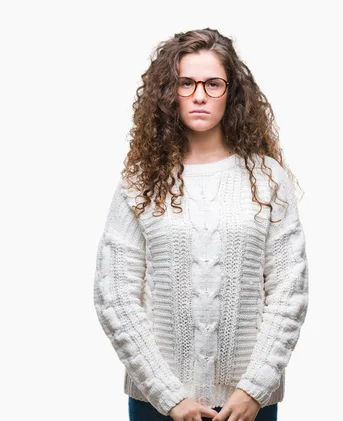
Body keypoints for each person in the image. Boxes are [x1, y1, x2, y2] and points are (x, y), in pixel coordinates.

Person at [93, 28, 309, 421]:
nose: (199, 95)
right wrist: (168, 395)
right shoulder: (140, 182)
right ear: (169, 93)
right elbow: (115, 295)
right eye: (186, 83)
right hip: (156, 406)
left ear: (232, 92)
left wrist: (254, 389)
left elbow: (288, 292)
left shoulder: (267, 179)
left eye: (213, 83)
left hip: (248, 407)